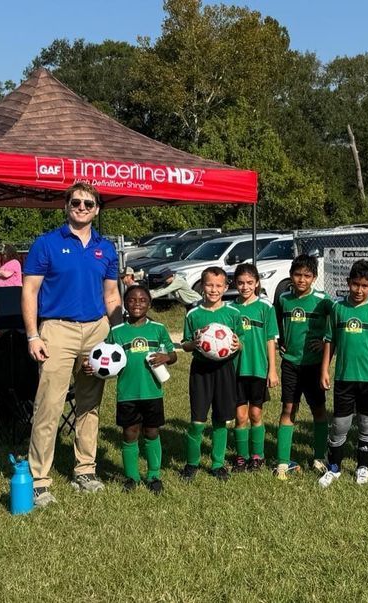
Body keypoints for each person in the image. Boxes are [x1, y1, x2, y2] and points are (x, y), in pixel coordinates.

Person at [22, 182, 121, 508]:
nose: (82, 207)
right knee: (48, 406)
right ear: (66, 206)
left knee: (89, 405)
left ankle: (86, 470)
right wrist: (33, 335)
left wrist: (117, 334)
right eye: (76, 202)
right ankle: (39, 480)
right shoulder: (46, 244)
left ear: (97, 209)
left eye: (88, 203)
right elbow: (30, 292)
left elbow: (111, 295)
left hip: (96, 331)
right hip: (57, 331)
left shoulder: (106, 249)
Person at [318, 260, 368, 487]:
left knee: (366, 423)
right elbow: (330, 341)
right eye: (355, 285)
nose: (359, 290)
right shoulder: (338, 308)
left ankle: (363, 467)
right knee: (340, 424)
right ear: (348, 282)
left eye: (365, 285)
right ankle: (334, 467)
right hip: (344, 377)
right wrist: (324, 369)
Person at [101, 285, 176, 494]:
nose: (137, 304)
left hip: (152, 391)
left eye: (142, 300)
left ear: (149, 304)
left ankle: (153, 475)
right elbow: (106, 358)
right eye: (132, 300)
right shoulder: (116, 333)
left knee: (152, 432)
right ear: (125, 304)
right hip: (127, 393)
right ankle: (131, 477)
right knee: (129, 433)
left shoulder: (158, 329)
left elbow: (173, 355)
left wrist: (166, 357)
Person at [179, 266, 242, 482]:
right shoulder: (193, 314)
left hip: (225, 371)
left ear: (225, 287)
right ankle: (191, 463)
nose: (213, 290)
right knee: (197, 420)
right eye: (209, 285)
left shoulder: (233, 313)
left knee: (221, 419)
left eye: (218, 286)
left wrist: (238, 344)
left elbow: (239, 343)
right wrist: (194, 343)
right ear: (202, 286)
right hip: (201, 371)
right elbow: (185, 345)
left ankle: (217, 464)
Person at [273, 254, 333, 479]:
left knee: (318, 410)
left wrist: (325, 342)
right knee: (288, 409)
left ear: (314, 278)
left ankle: (319, 457)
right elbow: (276, 322)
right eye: (297, 275)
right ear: (291, 276)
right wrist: (281, 340)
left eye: (307, 276)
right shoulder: (283, 299)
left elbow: (334, 328)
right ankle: (282, 462)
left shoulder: (323, 300)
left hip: (314, 364)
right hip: (291, 363)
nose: (301, 279)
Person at [230, 263, 279, 472]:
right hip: (236, 370)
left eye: (250, 282)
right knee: (240, 417)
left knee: (256, 415)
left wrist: (272, 369)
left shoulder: (266, 307)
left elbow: (270, 340)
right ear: (235, 283)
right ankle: (241, 457)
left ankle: (257, 456)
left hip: (258, 369)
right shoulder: (230, 309)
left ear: (257, 283)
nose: (245, 287)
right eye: (241, 282)